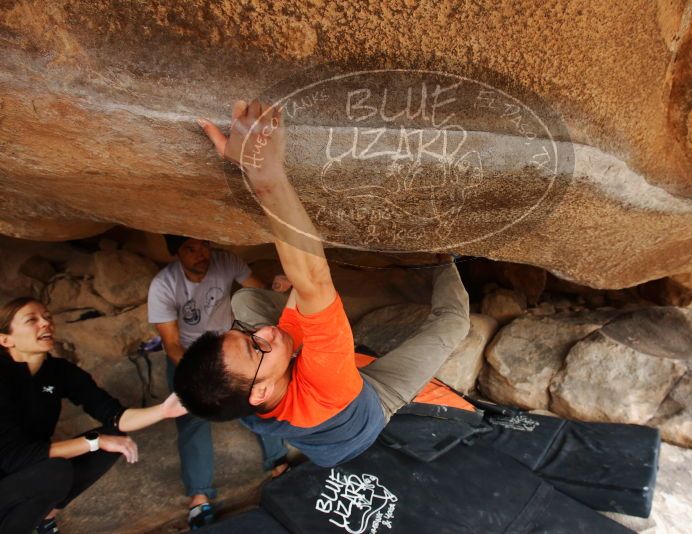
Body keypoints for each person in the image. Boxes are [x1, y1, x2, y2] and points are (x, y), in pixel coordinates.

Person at [174, 100, 470, 468]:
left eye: (243, 335)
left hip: (302, 406)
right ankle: (443, 262)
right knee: (455, 324)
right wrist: (263, 173)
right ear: (261, 390)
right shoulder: (325, 385)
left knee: (247, 301)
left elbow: (304, 289)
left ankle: (274, 337)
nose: (264, 331)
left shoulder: (245, 394)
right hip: (365, 411)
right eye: (255, 346)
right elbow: (313, 279)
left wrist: (294, 311)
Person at [0, 297, 187, 534]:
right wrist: (94, 442)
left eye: (47, 317)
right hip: (9, 477)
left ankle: (45, 514)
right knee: (57, 470)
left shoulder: (59, 372)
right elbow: (16, 457)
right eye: (32, 320)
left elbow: (116, 416)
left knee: (113, 437)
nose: (45, 323)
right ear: (5, 339)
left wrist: (164, 410)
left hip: (32, 472)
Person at [147, 235, 288, 528]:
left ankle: (278, 462)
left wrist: (276, 290)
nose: (201, 254)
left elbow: (258, 290)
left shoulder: (226, 262)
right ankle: (199, 496)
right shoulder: (164, 285)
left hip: (229, 350)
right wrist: (198, 381)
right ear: (176, 254)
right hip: (189, 359)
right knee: (193, 416)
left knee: (255, 400)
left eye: (204, 245)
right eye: (190, 249)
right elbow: (171, 343)